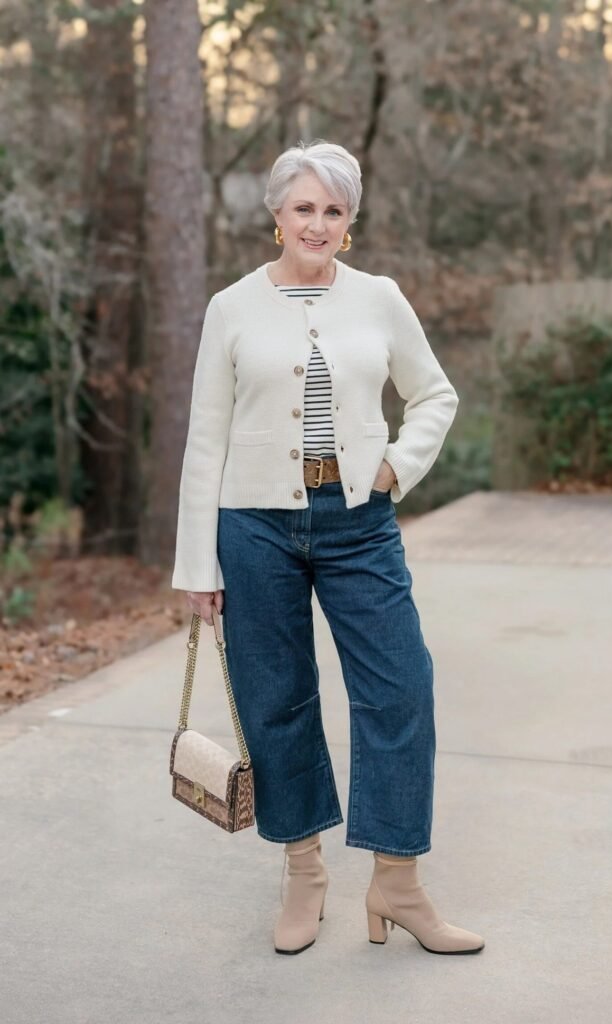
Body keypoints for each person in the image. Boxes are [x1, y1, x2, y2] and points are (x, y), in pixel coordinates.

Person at [171, 139, 485, 957]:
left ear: (350, 222)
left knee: (401, 687)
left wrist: (394, 466)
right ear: (277, 215)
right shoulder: (231, 307)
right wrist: (196, 567)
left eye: (333, 210)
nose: (317, 223)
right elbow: (205, 439)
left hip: (358, 521)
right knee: (275, 698)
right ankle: (303, 871)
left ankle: (397, 885)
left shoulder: (379, 298)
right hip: (253, 526)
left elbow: (434, 394)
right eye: (303, 208)